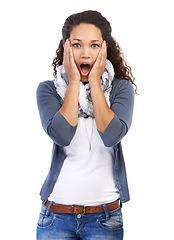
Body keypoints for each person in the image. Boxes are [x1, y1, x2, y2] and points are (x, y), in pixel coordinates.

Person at [36, 10, 136, 240]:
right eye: (78, 45)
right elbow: (62, 135)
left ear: (104, 49)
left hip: (105, 218)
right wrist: (73, 81)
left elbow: (111, 136)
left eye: (94, 46)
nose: (85, 53)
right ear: (66, 48)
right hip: (55, 218)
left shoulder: (121, 89)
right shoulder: (48, 90)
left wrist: (94, 82)